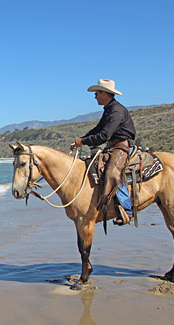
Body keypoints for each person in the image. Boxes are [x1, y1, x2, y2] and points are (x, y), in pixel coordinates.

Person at [71, 79, 136, 225]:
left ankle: (127, 210)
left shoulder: (117, 111)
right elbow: (97, 129)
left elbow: (104, 135)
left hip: (120, 147)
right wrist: (81, 139)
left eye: (96, 93)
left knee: (112, 172)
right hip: (111, 146)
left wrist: (84, 141)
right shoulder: (109, 109)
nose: (95, 97)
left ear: (104, 93)